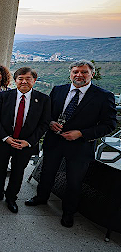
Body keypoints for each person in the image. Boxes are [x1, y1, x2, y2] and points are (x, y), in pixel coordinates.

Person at [26, 60, 117, 227]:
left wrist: (81, 133)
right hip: (54, 142)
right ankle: (41, 198)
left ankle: (68, 213)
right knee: (47, 172)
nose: (79, 75)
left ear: (92, 74)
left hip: (80, 147)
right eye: (76, 72)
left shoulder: (104, 96)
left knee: (74, 181)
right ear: (70, 73)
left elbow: (109, 124)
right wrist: (51, 123)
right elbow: (47, 114)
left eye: (84, 72)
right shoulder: (58, 90)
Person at [0, 67, 50, 213]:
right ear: (15, 81)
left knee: (18, 171)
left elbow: (44, 124)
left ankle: (11, 198)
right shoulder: (5, 96)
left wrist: (28, 142)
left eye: (28, 78)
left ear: (34, 80)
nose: (24, 82)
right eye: (20, 78)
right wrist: (6, 138)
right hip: (4, 141)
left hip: (25, 144)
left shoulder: (43, 99)